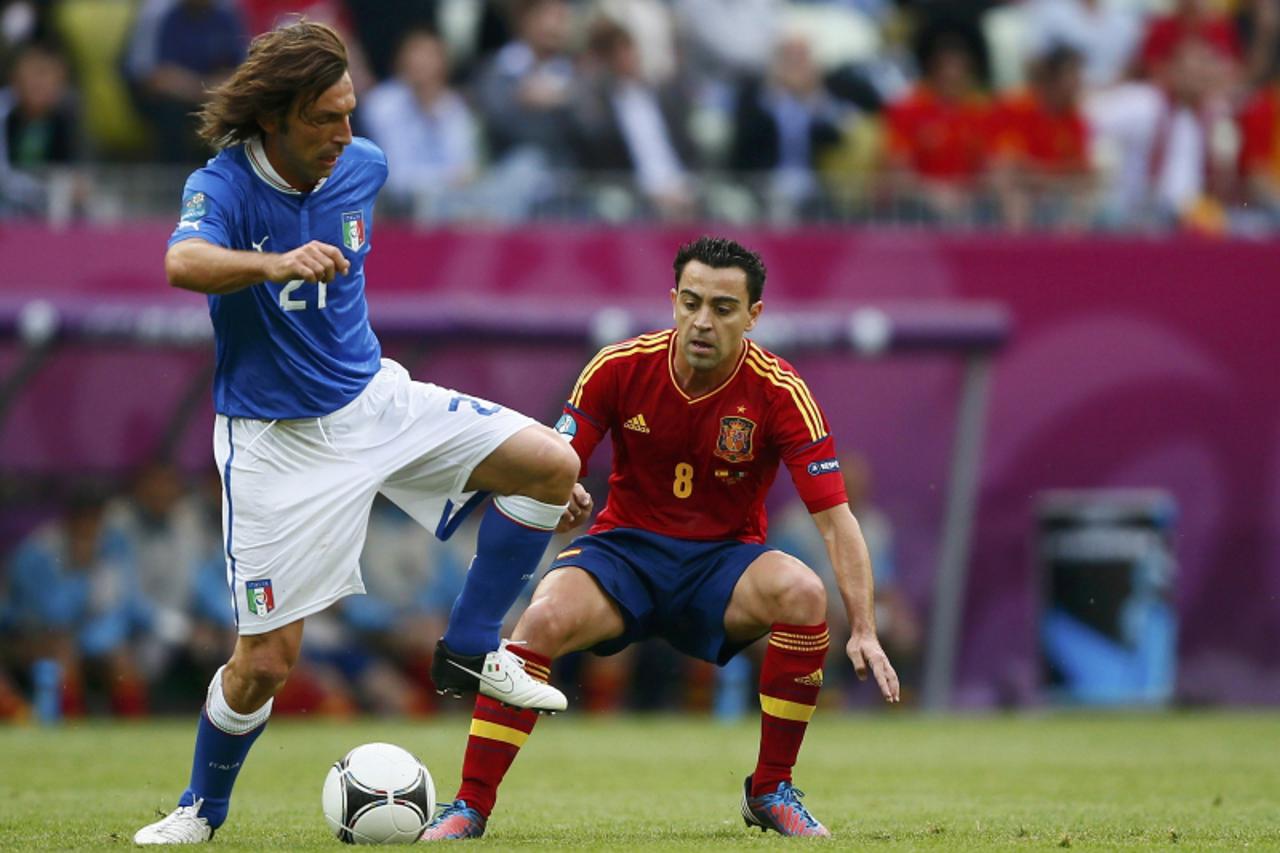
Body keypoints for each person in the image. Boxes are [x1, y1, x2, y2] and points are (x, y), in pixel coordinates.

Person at [132, 21, 581, 845]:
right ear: (275, 117)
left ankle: (474, 647)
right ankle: (203, 807)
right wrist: (273, 262)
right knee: (265, 662)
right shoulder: (224, 183)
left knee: (552, 466)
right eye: (325, 119)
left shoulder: (364, 166)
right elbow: (182, 263)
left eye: (350, 112)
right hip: (276, 439)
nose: (347, 134)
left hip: (376, 401)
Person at [421, 236, 900, 842]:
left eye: (723, 309)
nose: (703, 321)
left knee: (803, 593)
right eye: (691, 302)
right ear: (672, 299)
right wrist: (560, 488)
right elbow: (554, 459)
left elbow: (837, 520)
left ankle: (770, 789)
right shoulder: (619, 366)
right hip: (623, 553)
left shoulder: (781, 392)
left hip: (722, 565)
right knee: (538, 621)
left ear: (754, 316)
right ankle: (469, 806)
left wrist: (863, 628)